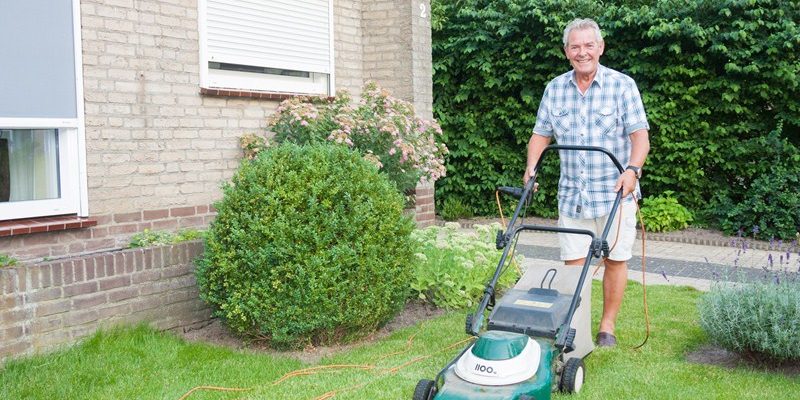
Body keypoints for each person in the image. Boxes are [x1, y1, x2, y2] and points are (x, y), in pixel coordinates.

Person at [523, 18, 650, 347]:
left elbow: (641, 138)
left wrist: (632, 170)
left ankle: (607, 326)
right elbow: (540, 134)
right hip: (573, 195)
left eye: (588, 46)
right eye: (575, 47)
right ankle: (574, 327)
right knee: (573, 265)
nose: (582, 52)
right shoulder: (555, 88)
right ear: (567, 52)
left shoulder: (622, 86)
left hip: (615, 195)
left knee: (615, 260)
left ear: (600, 48)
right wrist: (531, 168)